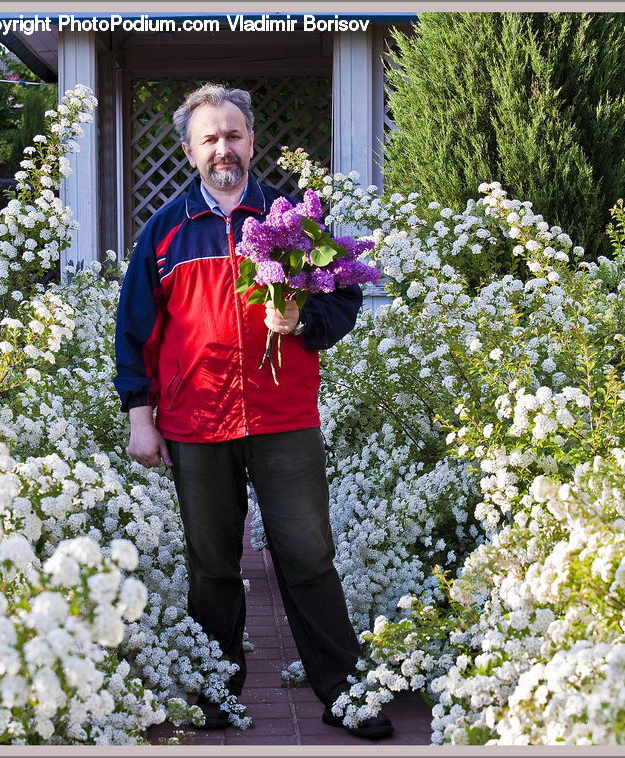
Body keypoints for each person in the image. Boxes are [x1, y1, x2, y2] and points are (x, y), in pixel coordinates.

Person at [113, 83, 392, 740]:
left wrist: (301, 320)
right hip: (195, 422)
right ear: (190, 150)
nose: (223, 148)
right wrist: (139, 415)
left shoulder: (294, 224)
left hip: (283, 417)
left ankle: (344, 693)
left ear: (252, 142)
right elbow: (135, 330)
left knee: (308, 557)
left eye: (233, 134)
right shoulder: (163, 234)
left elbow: (343, 301)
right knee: (212, 566)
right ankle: (215, 690)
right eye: (209, 137)